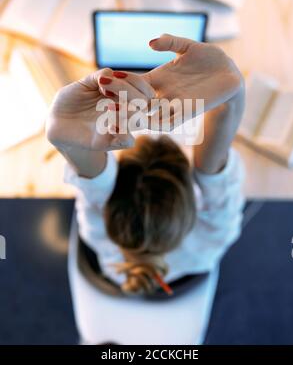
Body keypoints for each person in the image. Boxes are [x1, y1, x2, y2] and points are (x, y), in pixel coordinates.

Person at [46, 34, 246, 297]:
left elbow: (97, 185)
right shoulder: (212, 238)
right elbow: (212, 172)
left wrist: (64, 139)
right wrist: (233, 89)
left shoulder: (100, 230)